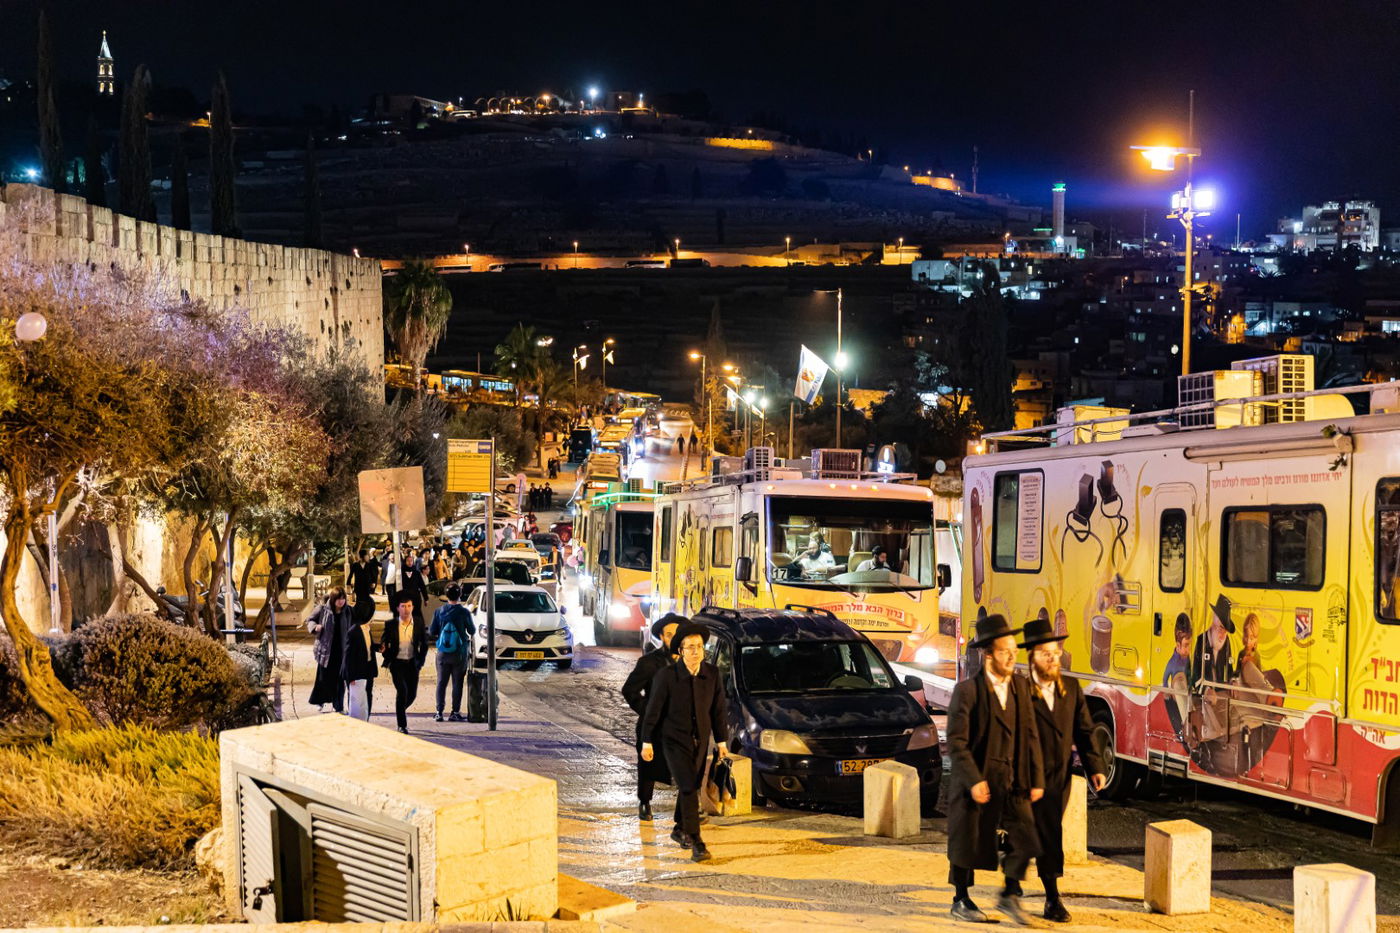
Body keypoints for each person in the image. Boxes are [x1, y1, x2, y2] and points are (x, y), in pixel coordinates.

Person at [945, 613, 1044, 925]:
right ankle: (961, 898)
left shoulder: (1021, 686)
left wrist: (1037, 778)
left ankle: (1010, 894)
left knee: (1027, 837)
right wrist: (973, 780)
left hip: (1013, 780)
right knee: (967, 841)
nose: (1013, 657)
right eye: (1005, 652)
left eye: (1015, 651)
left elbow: (1030, 736)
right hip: (977, 780)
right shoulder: (968, 691)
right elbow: (957, 742)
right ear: (987, 654)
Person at [1019, 617, 1108, 924]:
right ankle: (1050, 897)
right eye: (1046, 654)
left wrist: (1095, 767)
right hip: (1027, 776)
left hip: (1059, 777)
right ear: (1031, 655)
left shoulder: (1069, 687)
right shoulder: (1018, 691)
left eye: (1055, 652)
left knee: (1048, 832)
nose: (1053, 658)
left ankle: (1049, 894)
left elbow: (1084, 731)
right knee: (1037, 832)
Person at [641, 622, 730, 862]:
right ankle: (697, 841)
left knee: (689, 785)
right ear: (680, 650)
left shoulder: (711, 674)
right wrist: (646, 742)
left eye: (699, 646)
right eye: (690, 647)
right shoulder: (667, 676)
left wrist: (721, 742)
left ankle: (679, 828)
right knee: (689, 787)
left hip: (700, 741)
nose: (695, 651)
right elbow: (653, 711)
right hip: (673, 741)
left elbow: (718, 711)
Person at [622, 614, 683, 821]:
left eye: (677, 634)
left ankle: (687, 808)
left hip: (679, 725)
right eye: (668, 634)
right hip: (653, 725)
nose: (673, 638)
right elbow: (630, 690)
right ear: (661, 637)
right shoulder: (649, 663)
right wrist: (648, 711)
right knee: (648, 764)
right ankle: (645, 802)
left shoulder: (691, 662)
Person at [380, 595, 429, 734]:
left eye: (408, 606)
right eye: (403, 606)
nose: (406, 609)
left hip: (412, 663)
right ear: (398, 609)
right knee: (402, 691)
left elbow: (424, 644)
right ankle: (402, 724)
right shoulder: (390, 625)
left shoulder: (418, 623)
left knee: (412, 694)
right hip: (397, 664)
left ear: (412, 607)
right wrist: (385, 652)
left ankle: (399, 709)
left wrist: (420, 661)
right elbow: (384, 644)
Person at [431, 583, 476, 722]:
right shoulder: (464, 612)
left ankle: (439, 712)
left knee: (441, 682)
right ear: (460, 595)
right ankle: (455, 712)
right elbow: (472, 630)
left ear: (446, 595)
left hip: (443, 653)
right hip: (459, 653)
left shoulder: (439, 611)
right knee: (457, 683)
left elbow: (432, 631)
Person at [307, 588, 352, 712]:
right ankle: (320, 700)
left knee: (339, 680)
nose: (341, 601)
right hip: (326, 650)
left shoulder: (348, 611)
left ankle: (338, 707)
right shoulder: (323, 609)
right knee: (323, 679)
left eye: (343, 599)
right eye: (338, 599)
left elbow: (354, 625)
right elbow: (310, 620)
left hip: (341, 651)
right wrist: (315, 627)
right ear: (333, 599)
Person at [340, 597, 379, 721]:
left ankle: (366, 719)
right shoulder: (354, 631)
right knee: (356, 700)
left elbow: (367, 645)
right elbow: (348, 656)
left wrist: (378, 647)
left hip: (368, 668)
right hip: (356, 671)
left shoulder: (366, 628)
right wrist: (350, 677)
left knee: (368, 695)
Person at [400, 549, 430, 623]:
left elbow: (422, 586)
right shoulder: (401, 573)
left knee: (417, 615)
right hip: (405, 598)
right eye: (408, 561)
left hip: (416, 598)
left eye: (411, 561)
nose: (410, 562)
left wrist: (426, 598)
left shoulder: (416, 573)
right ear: (405, 562)